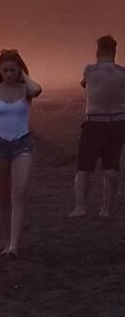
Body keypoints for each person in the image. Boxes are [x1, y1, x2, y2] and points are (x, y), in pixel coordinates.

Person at [0, 49, 43, 257]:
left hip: (22, 144)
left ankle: (14, 244)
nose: (9, 74)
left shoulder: (26, 90)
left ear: (19, 70)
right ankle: (7, 241)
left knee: (19, 194)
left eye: (13, 70)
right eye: (5, 70)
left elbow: (38, 89)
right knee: (3, 198)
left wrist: (25, 76)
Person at [68, 35, 125, 219]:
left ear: (98, 51)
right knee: (111, 166)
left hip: (95, 122)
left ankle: (80, 207)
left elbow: (84, 85)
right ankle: (106, 208)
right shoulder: (122, 72)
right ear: (114, 51)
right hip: (118, 121)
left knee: (83, 167)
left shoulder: (90, 70)